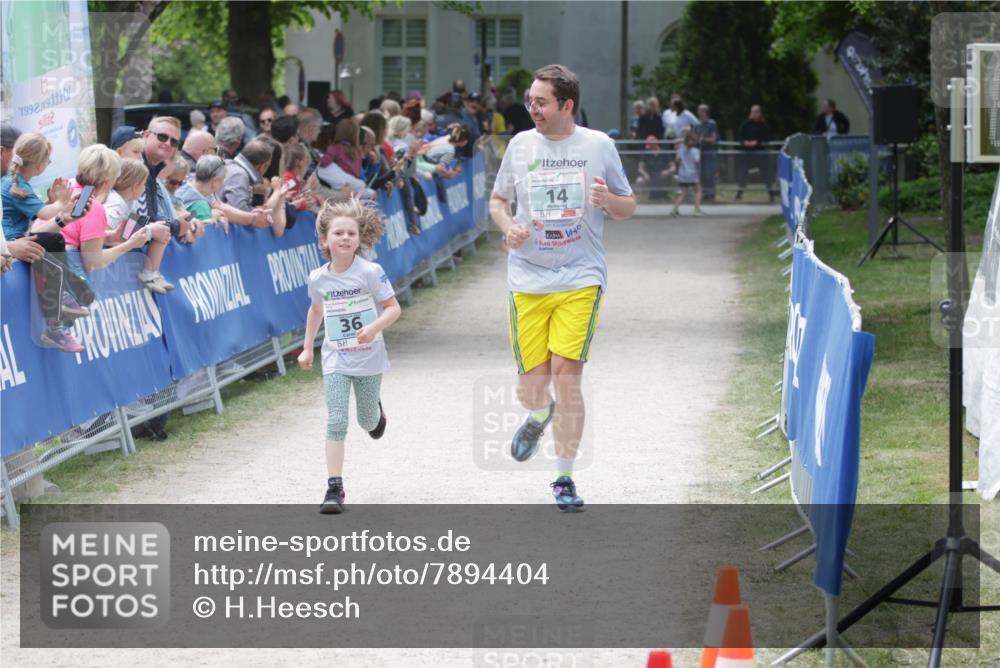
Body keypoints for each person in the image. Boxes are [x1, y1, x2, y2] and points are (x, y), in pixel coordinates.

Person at [489, 64, 635, 512]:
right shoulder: (520, 145)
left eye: (541, 102)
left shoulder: (598, 145)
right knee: (532, 389)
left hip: (580, 276)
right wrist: (509, 227)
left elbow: (627, 205)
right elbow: (498, 201)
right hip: (528, 278)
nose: (532, 108)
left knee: (567, 377)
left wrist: (607, 201)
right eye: (530, 101)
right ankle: (538, 413)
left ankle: (564, 478)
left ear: (566, 105)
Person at [297, 197, 402, 513]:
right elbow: (316, 310)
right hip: (336, 358)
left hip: (369, 356)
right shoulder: (319, 278)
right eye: (338, 233)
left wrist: (373, 328)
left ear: (359, 238)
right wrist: (307, 347)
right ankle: (334, 488)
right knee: (337, 419)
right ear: (324, 240)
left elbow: (393, 308)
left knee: (366, 420)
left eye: (351, 234)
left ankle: (376, 414)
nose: (345, 238)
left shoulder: (370, 271)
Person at [1, 133, 93, 352]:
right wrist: (61, 202)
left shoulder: (16, 183)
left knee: (54, 239)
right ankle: (66, 301)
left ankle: (69, 294)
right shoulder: (14, 184)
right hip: (11, 242)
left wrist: (62, 213)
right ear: (40, 165)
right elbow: (44, 213)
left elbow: (39, 220)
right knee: (51, 254)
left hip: (17, 240)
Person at [103, 158, 174, 293]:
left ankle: (152, 273)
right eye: (144, 185)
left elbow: (128, 226)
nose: (144, 189)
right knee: (159, 230)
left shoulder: (130, 201)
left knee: (162, 228)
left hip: (121, 236)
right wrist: (148, 231)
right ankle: (149, 273)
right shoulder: (114, 204)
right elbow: (103, 234)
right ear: (135, 186)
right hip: (111, 243)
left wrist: (149, 229)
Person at [735, 104, 775, 202]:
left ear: (760, 113)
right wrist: (744, 142)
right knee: (743, 174)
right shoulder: (746, 124)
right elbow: (739, 135)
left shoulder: (763, 125)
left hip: (759, 153)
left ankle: (771, 194)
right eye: (752, 112)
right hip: (746, 153)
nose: (753, 114)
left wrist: (757, 142)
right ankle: (739, 195)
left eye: (756, 112)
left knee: (766, 174)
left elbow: (767, 137)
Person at [669, 127, 702, 216]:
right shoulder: (696, 151)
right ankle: (696, 210)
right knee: (698, 190)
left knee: (683, 192)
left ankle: (675, 209)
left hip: (683, 173)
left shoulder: (681, 150)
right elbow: (697, 162)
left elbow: (677, 160)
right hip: (692, 174)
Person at [635, 135, 671, 201]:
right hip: (650, 176)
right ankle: (643, 199)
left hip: (662, 176)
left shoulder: (665, 153)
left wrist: (667, 171)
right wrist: (645, 174)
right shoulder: (646, 153)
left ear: (655, 143)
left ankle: (671, 198)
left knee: (675, 178)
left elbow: (673, 167)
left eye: (651, 145)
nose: (650, 148)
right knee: (639, 180)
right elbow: (640, 168)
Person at [696, 104, 719, 202]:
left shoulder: (712, 123)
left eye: (702, 111)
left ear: (706, 112)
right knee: (702, 174)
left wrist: (704, 139)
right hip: (700, 152)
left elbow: (713, 139)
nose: (700, 113)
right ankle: (704, 193)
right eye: (699, 111)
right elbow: (696, 138)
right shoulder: (697, 124)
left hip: (710, 152)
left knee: (709, 173)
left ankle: (711, 194)